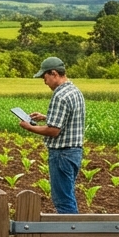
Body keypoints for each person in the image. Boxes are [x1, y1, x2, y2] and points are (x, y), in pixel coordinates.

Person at [18, 56, 85, 214]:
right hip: (74, 152)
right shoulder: (74, 91)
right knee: (67, 194)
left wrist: (29, 127)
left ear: (54, 73)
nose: (44, 81)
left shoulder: (60, 95)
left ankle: (72, 236)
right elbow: (69, 119)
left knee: (63, 199)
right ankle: (75, 234)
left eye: (44, 77)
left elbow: (53, 131)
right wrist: (45, 117)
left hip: (62, 153)